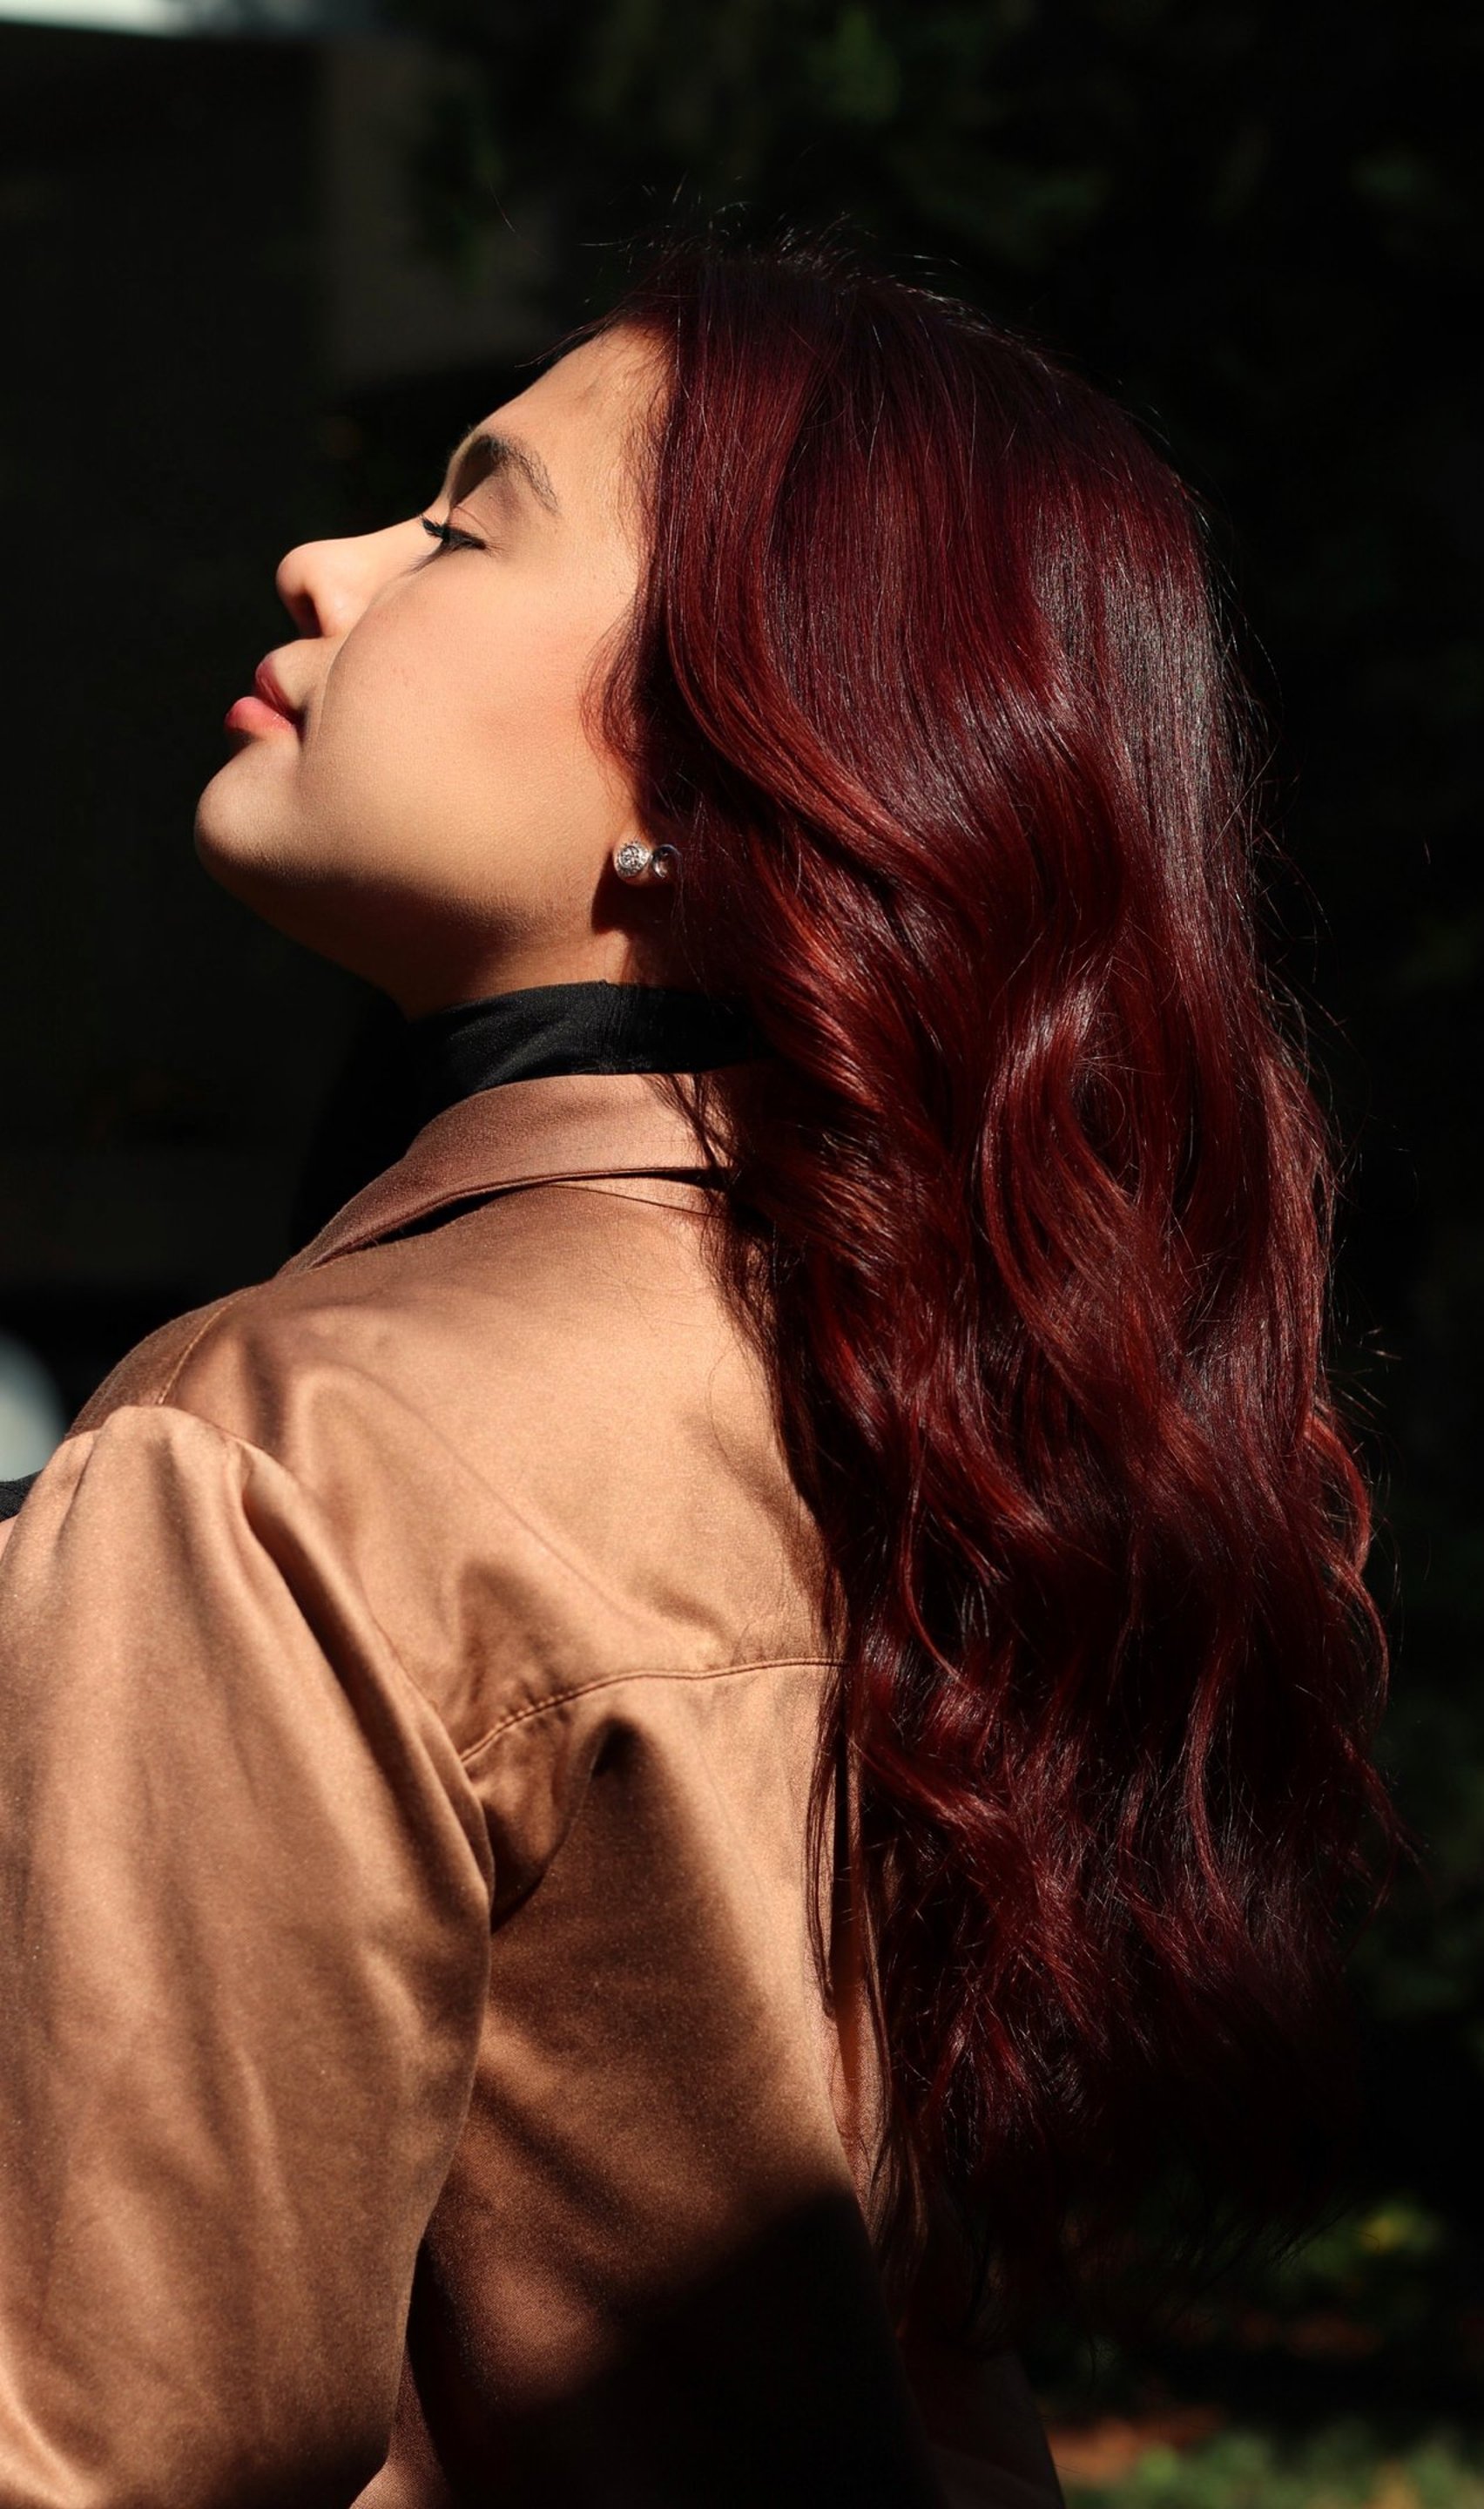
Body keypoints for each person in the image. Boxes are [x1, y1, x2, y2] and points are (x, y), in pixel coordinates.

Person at [0, 236, 1392, 2506]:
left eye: (466, 519)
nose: (323, 557)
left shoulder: (277, 1459)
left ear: (727, 758)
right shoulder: (939, 1410)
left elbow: (98, 2453)